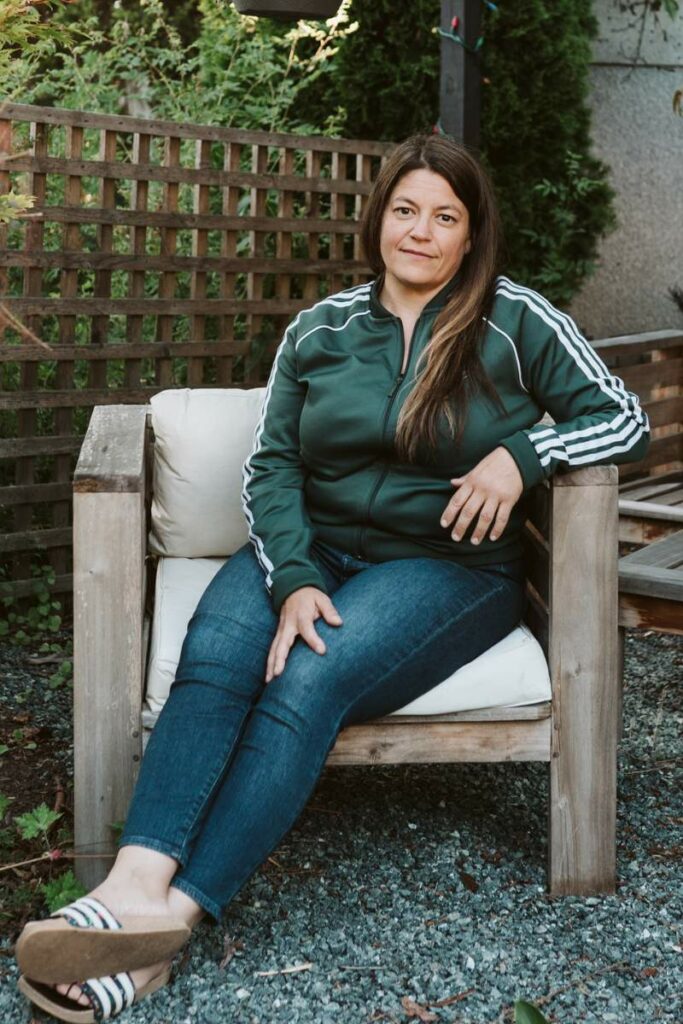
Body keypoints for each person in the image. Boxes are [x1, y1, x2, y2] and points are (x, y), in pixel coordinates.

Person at [15, 133, 650, 1022]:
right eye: (403, 209)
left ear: (470, 236)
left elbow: (622, 418)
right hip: (313, 548)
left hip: (445, 568)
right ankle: (132, 886)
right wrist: (297, 578)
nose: (419, 232)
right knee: (219, 654)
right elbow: (269, 467)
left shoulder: (516, 321)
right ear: (377, 218)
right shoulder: (320, 329)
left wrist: (523, 454)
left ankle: (169, 925)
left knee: (308, 677)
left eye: (443, 216)